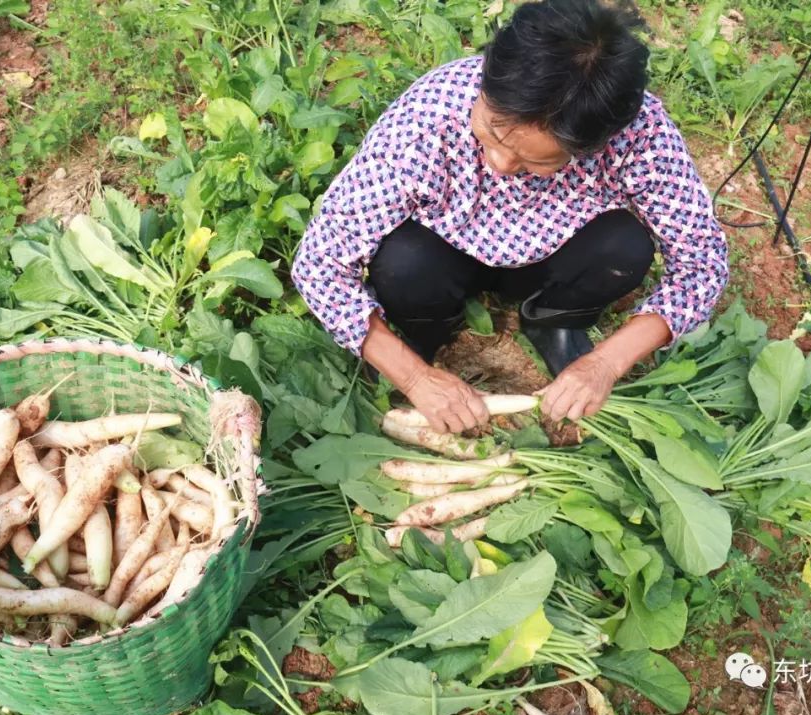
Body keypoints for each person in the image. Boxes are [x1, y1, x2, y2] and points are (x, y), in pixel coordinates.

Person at [291, 0, 728, 434]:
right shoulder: (425, 121)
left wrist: (606, 363)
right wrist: (413, 376)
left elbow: (702, 263)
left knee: (625, 247)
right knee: (404, 262)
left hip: (556, 253)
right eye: (492, 130)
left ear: (593, 145)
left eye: (533, 162)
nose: (499, 164)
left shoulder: (639, 133)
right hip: (444, 255)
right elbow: (318, 264)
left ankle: (554, 319)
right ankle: (423, 333)